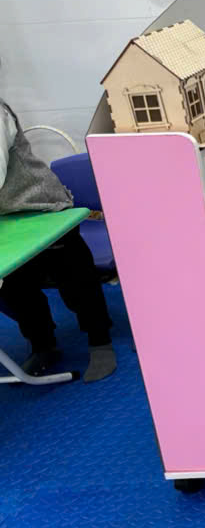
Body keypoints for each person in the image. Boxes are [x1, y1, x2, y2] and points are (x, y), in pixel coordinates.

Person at [0, 99, 116, 381]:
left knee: (75, 279)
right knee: (15, 286)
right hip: (8, 220)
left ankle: (100, 341)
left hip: (43, 206)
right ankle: (43, 346)